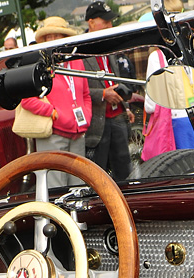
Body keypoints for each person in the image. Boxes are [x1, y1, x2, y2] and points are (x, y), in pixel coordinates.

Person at [18, 18, 92, 188]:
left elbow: (86, 94)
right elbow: (27, 100)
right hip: (53, 133)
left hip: (79, 133)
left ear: (65, 37)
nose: (52, 40)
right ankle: (52, 216)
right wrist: (53, 113)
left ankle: (77, 216)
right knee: (54, 187)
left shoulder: (76, 61)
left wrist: (87, 115)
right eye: (48, 37)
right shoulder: (38, 64)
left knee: (79, 184)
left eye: (56, 36)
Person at [84, 2, 135, 182]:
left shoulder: (108, 45)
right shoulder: (78, 51)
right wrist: (103, 94)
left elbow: (116, 78)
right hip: (97, 120)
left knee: (124, 168)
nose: (109, 25)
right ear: (90, 22)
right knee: (98, 172)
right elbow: (76, 89)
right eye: (105, 21)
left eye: (110, 21)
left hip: (117, 114)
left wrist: (126, 106)